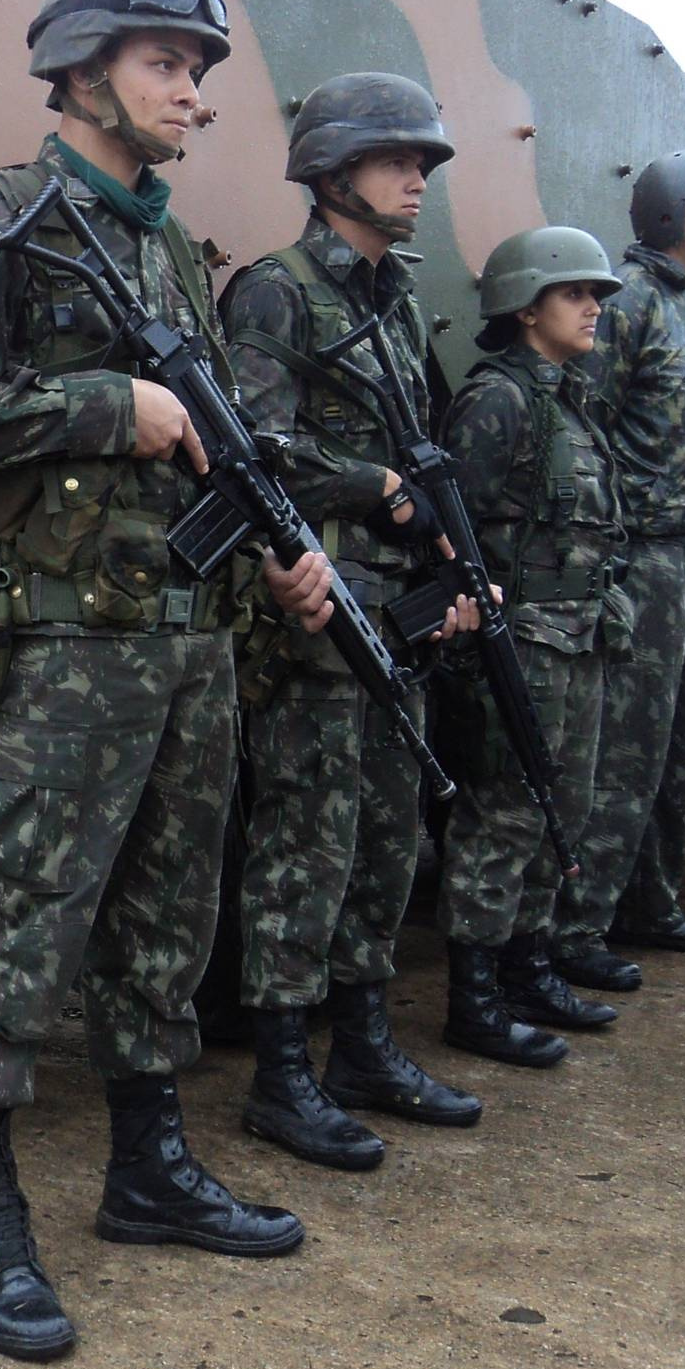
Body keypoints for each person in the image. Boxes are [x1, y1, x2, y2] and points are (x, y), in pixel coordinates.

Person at [0, 0, 322, 1363]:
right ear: (80, 74)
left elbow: (217, 445)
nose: (194, 96)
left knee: (165, 925)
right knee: (18, 922)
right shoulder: (2, 230)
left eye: (200, 72)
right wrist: (106, 403)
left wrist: (278, 545)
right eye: (166, 67)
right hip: (68, 649)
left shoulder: (165, 248)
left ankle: (147, 1169)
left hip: (191, 642)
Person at [220, 73, 485, 1171]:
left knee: (388, 837)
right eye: (395, 162)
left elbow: (428, 463)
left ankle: (364, 1046)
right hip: (320, 615)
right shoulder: (276, 293)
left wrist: (459, 564)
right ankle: (282, 1075)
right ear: (333, 173)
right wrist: (371, 483)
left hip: (399, 612)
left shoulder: (391, 300)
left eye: (423, 164)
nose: (416, 180)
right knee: (305, 843)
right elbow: (251, 445)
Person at [436, 226, 627, 1066]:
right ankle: (474, 999)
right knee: (503, 818)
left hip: (576, 638)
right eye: (574, 294)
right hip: (522, 647)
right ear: (525, 308)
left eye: (595, 296)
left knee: (561, 813)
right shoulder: (499, 400)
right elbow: (456, 530)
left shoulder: (568, 397)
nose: (592, 308)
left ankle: (528, 966)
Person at [556, 151, 685, 983]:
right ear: (669, 212)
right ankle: (579, 924)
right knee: (625, 746)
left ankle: (651, 901)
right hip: (643, 554)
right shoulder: (627, 300)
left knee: (678, 742)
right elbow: (583, 421)